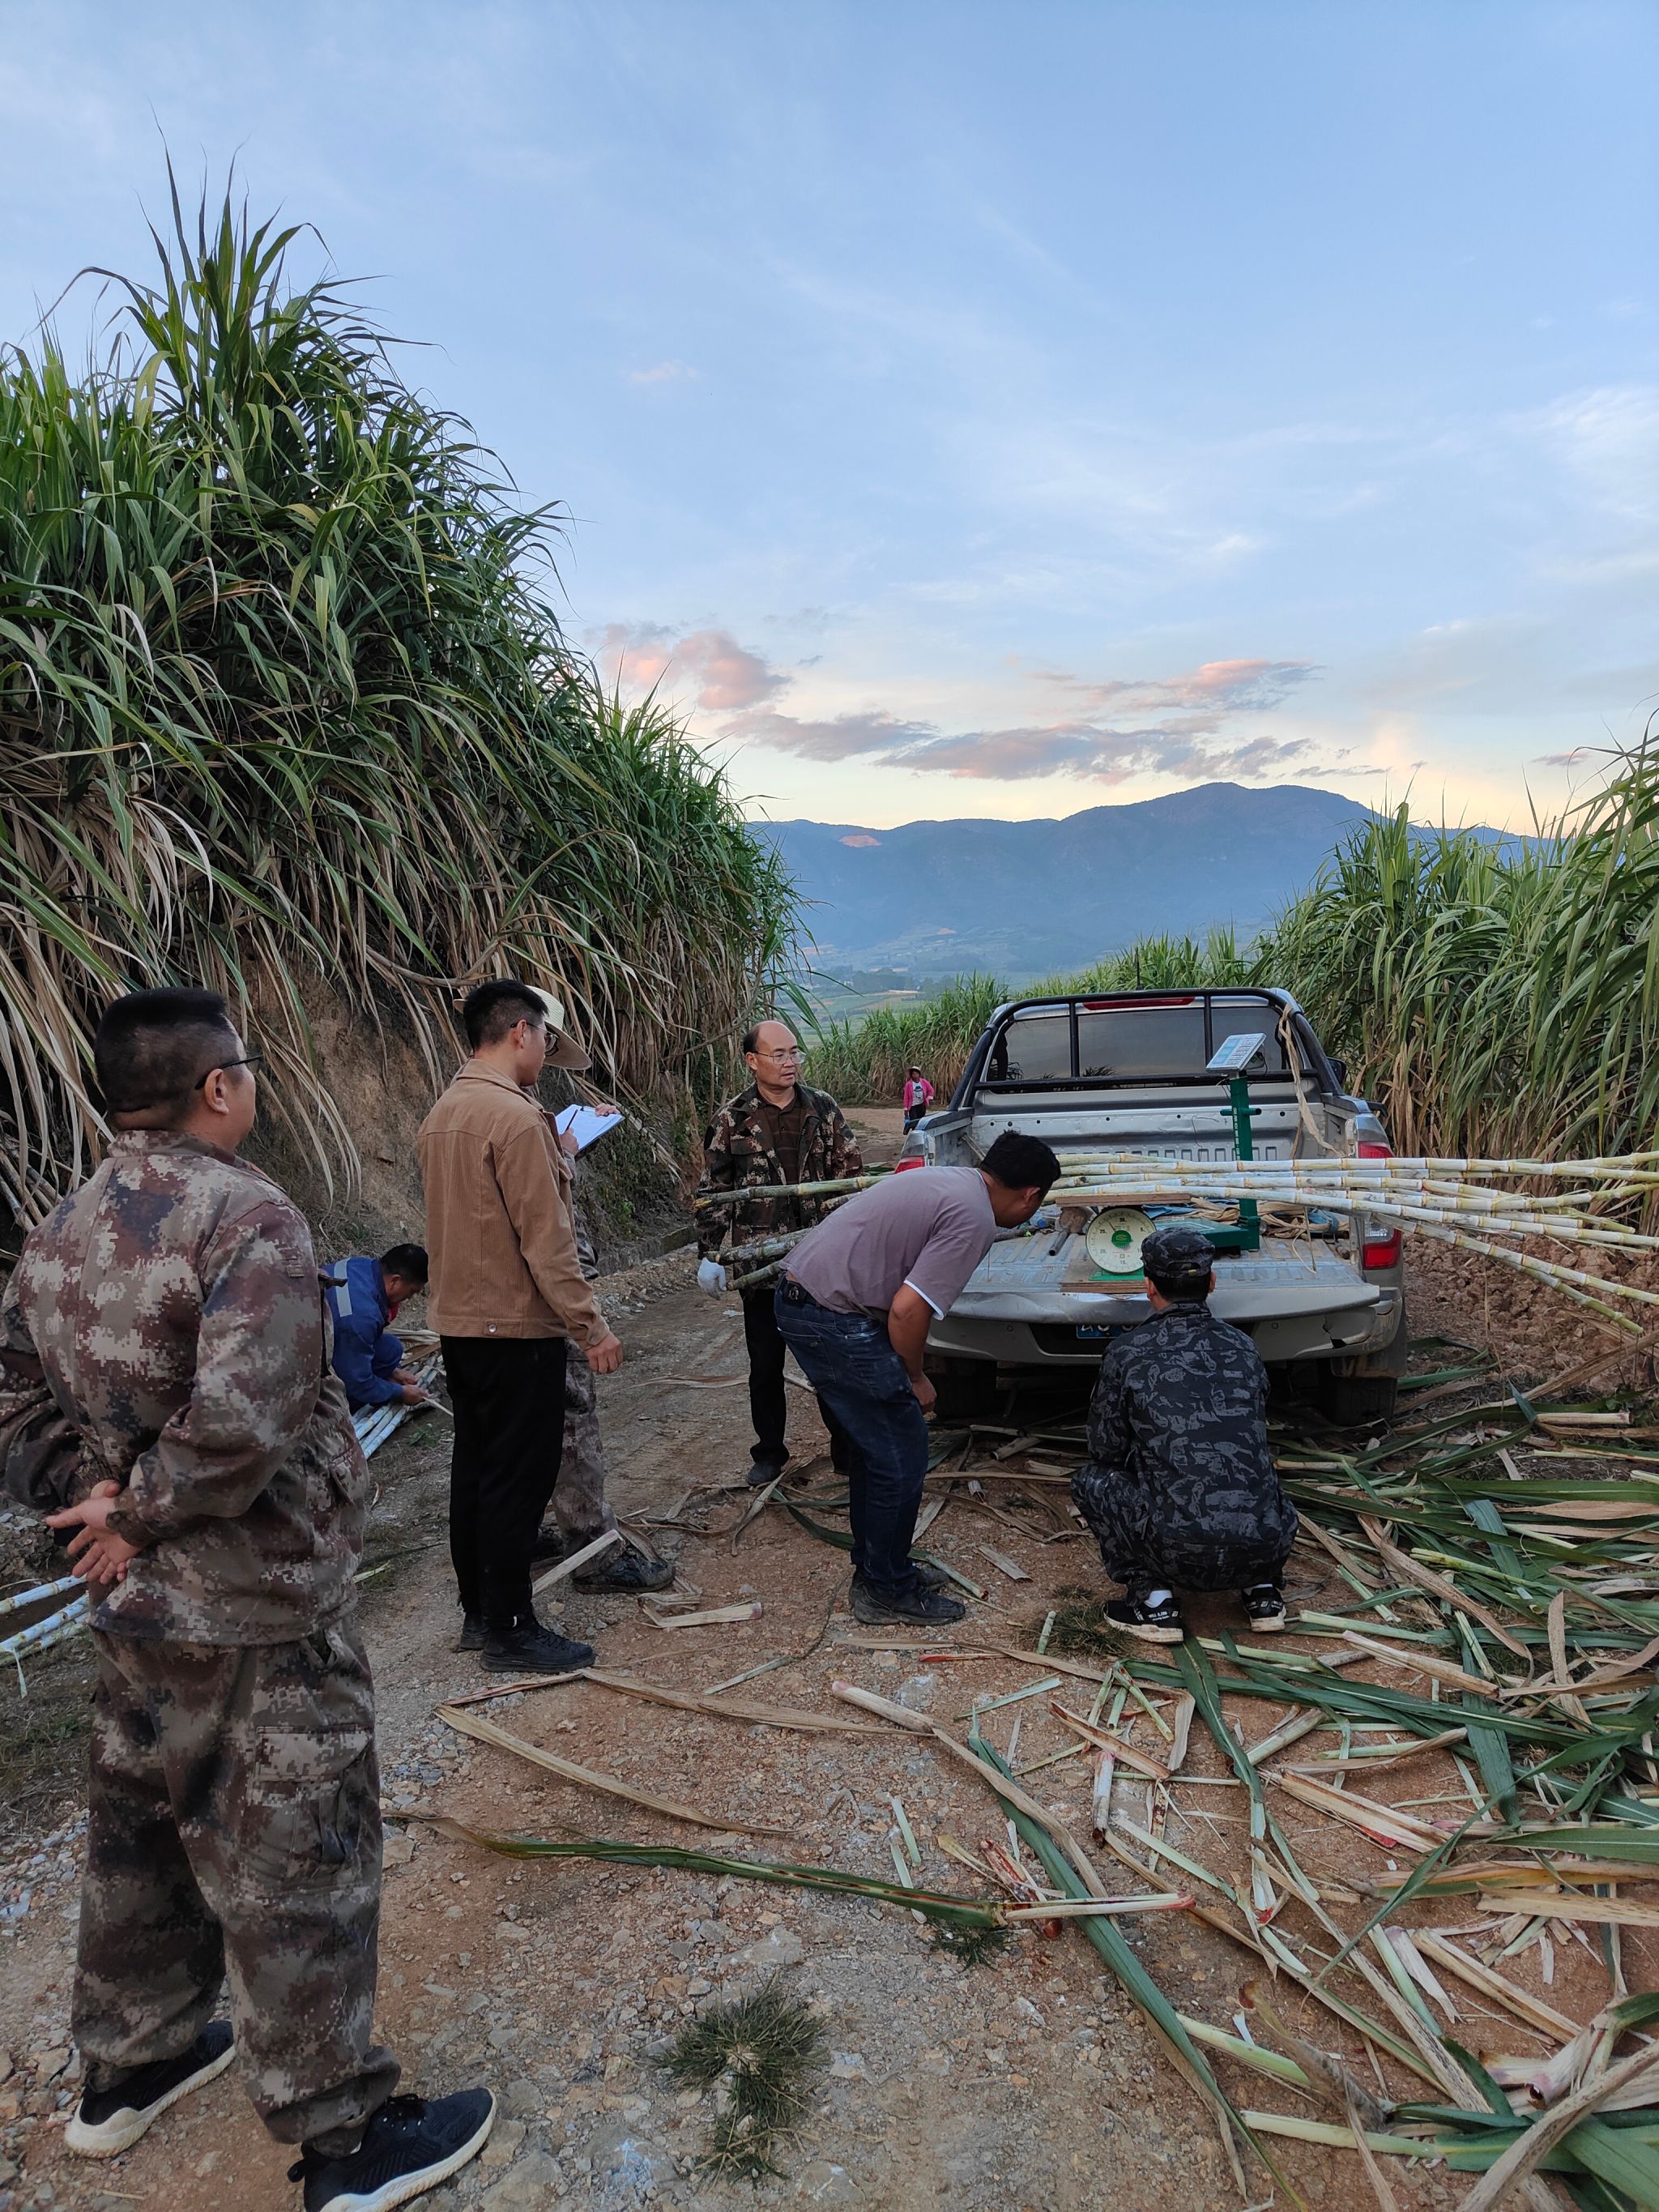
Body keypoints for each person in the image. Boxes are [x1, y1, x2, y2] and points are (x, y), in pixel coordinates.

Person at [0, 987, 493, 2212]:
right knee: (297, 1856)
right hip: (254, 1603)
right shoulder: (247, 1215)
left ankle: (135, 2062)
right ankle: (345, 2136)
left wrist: (94, 1503)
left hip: (135, 1608)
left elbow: (13, 1403)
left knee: (140, 1840)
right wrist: (136, 1509)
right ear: (219, 1086)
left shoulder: (61, 1224)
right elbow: (245, 1420)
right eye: (252, 1068)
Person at [419, 979, 650, 1676]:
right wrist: (592, 1326)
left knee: (478, 1470)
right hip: (516, 1330)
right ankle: (513, 1629)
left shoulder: (444, 1113)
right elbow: (546, 1243)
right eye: (547, 1038)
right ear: (521, 1031)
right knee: (520, 1477)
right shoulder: (517, 1121)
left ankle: (478, 1613)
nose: (549, 1053)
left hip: (460, 1326)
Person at [774, 1131, 1060, 1625]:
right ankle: (885, 1590)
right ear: (1031, 1195)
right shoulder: (973, 1218)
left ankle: (880, 1569)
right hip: (832, 1314)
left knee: (877, 1448)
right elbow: (907, 1312)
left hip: (810, 1298)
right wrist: (915, 1376)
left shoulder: (954, 1182)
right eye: (1035, 1206)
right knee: (900, 1452)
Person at [1070, 1223, 1299, 1644]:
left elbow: (1105, 1448)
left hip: (1176, 1548)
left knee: (1093, 1481)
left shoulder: (1128, 1352)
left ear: (1149, 1287)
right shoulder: (1243, 1348)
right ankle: (1263, 1592)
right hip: (1265, 1542)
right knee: (1252, 1472)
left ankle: (1154, 1602)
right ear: (1212, 1282)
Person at [696, 1020, 863, 1487]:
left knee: (830, 1361)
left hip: (821, 1260)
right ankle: (769, 1453)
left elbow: (851, 1176)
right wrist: (709, 1253)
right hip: (761, 1266)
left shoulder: (823, 1109)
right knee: (765, 1365)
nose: (790, 1062)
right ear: (753, 1061)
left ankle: (847, 1450)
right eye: (778, 1054)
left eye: (794, 1053)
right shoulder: (731, 1120)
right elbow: (714, 1191)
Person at [531, 1183, 672, 1593]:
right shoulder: (521, 1132)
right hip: (542, 1319)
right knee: (572, 1436)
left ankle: (515, 1539)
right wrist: (588, 1328)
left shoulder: (445, 1128)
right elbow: (554, 1245)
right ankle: (594, 1554)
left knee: (511, 1436)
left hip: (481, 1328)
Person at [325, 1243, 433, 1411]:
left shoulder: (359, 1265)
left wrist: (393, 1372)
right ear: (395, 1281)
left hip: (327, 1337)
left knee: (391, 1349)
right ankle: (345, 1408)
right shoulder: (362, 1316)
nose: (409, 1298)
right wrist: (401, 1393)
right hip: (309, 1366)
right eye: (411, 1292)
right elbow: (357, 1383)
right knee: (357, 1390)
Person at [902, 1066, 935, 1132]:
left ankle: (919, 1133)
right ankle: (912, 1130)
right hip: (913, 1106)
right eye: (913, 1074)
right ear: (911, 1075)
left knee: (921, 1120)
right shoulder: (909, 1085)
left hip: (921, 1104)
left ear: (919, 1074)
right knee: (914, 1120)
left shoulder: (923, 1082)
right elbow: (906, 1097)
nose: (915, 1076)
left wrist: (929, 1098)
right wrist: (905, 1109)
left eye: (917, 1074)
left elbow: (931, 1089)